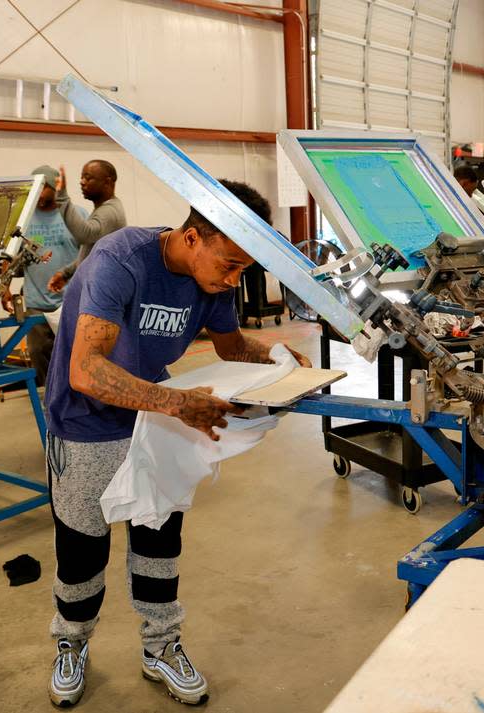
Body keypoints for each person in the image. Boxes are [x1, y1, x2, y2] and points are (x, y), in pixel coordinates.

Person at [43, 179, 310, 708]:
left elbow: (232, 346)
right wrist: (181, 405)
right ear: (192, 238)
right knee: (83, 547)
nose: (235, 279)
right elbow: (85, 371)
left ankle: (160, 646)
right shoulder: (120, 259)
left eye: (244, 270)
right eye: (230, 265)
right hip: (88, 423)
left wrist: (283, 363)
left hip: (157, 417)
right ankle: (71, 643)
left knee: (159, 538)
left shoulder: (213, 282)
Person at [1, 165, 82, 385]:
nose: (36, 193)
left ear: (55, 186)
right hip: (36, 302)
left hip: (73, 301)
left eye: (42, 188)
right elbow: (8, 255)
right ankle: (50, 400)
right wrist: (5, 287)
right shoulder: (23, 220)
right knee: (39, 353)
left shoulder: (76, 215)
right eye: (34, 188)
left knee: (78, 354)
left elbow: (91, 251)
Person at [47, 159, 127, 293]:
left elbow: (85, 234)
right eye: (82, 177)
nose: (82, 182)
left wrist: (61, 197)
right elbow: (91, 251)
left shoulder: (109, 212)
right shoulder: (103, 209)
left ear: (107, 182)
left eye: (88, 178)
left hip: (101, 293)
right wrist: (67, 273)